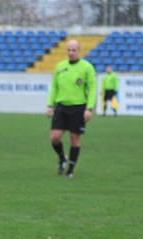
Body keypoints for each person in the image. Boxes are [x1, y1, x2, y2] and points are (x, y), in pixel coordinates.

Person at [46, 39, 97, 179]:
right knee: (54, 137)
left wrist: (89, 108)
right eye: (68, 50)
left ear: (79, 50)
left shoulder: (87, 67)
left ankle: (70, 170)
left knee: (74, 138)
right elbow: (55, 87)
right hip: (61, 107)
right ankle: (62, 158)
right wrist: (50, 105)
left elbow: (92, 89)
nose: (71, 53)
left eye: (74, 50)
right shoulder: (60, 66)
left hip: (78, 108)